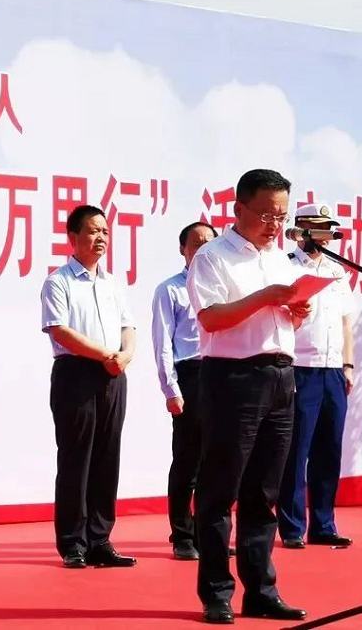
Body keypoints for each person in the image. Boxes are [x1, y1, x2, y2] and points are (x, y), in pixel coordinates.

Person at [187, 168, 310, 624]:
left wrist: (296, 310)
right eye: (266, 215)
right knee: (220, 491)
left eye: (281, 216)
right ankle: (216, 592)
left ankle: (261, 591)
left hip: (281, 375)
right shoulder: (213, 256)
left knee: (264, 492)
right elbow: (211, 318)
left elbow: (284, 322)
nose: (275, 225)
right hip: (233, 377)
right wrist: (265, 296)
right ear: (239, 208)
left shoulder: (281, 259)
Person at [41, 204, 137, 569]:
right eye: (93, 231)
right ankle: (73, 543)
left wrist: (125, 355)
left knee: (107, 457)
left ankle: (100, 540)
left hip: (113, 374)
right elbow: (60, 331)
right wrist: (105, 355)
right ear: (73, 237)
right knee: (76, 458)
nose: (101, 238)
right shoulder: (58, 281)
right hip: (76, 374)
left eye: (105, 232)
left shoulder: (112, 283)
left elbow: (128, 326)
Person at [278, 203, 356, 550]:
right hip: (300, 368)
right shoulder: (286, 266)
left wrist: (348, 365)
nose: (326, 236)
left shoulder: (337, 271)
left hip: (333, 370)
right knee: (296, 452)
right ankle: (293, 527)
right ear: (303, 232)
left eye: (328, 230)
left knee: (329, 450)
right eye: (319, 229)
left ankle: (324, 525)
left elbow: (345, 322)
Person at [151, 221, 218, 561]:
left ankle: (208, 535)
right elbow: (162, 343)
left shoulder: (223, 288)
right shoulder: (170, 290)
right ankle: (182, 536)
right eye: (196, 243)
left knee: (215, 463)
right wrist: (171, 389)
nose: (204, 249)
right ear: (183, 249)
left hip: (222, 375)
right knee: (187, 462)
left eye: (210, 243)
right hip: (190, 376)